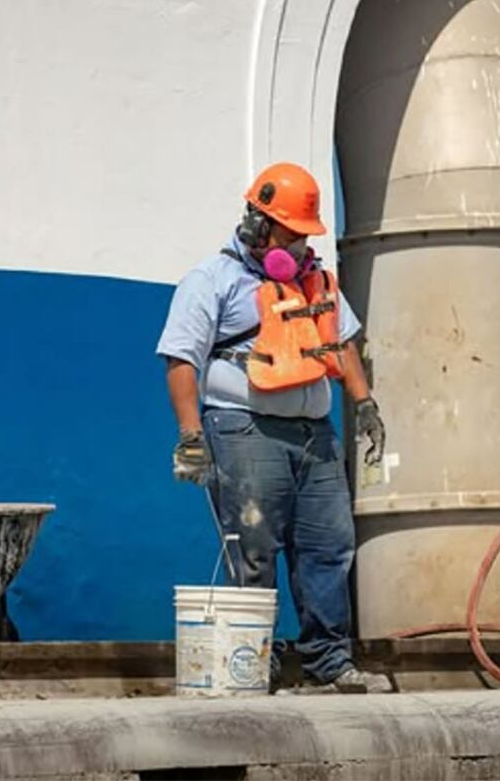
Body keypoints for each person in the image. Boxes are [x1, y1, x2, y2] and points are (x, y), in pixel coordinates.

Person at [157, 162, 391, 693]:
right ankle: (252, 666)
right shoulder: (210, 281)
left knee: (329, 547)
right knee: (254, 547)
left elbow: (343, 343)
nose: (302, 247)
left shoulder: (317, 280)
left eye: (308, 236)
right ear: (257, 227)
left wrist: (366, 403)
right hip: (244, 432)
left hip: (315, 436)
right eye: (292, 234)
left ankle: (330, 664)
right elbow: (179, 360)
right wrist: (192, 437)